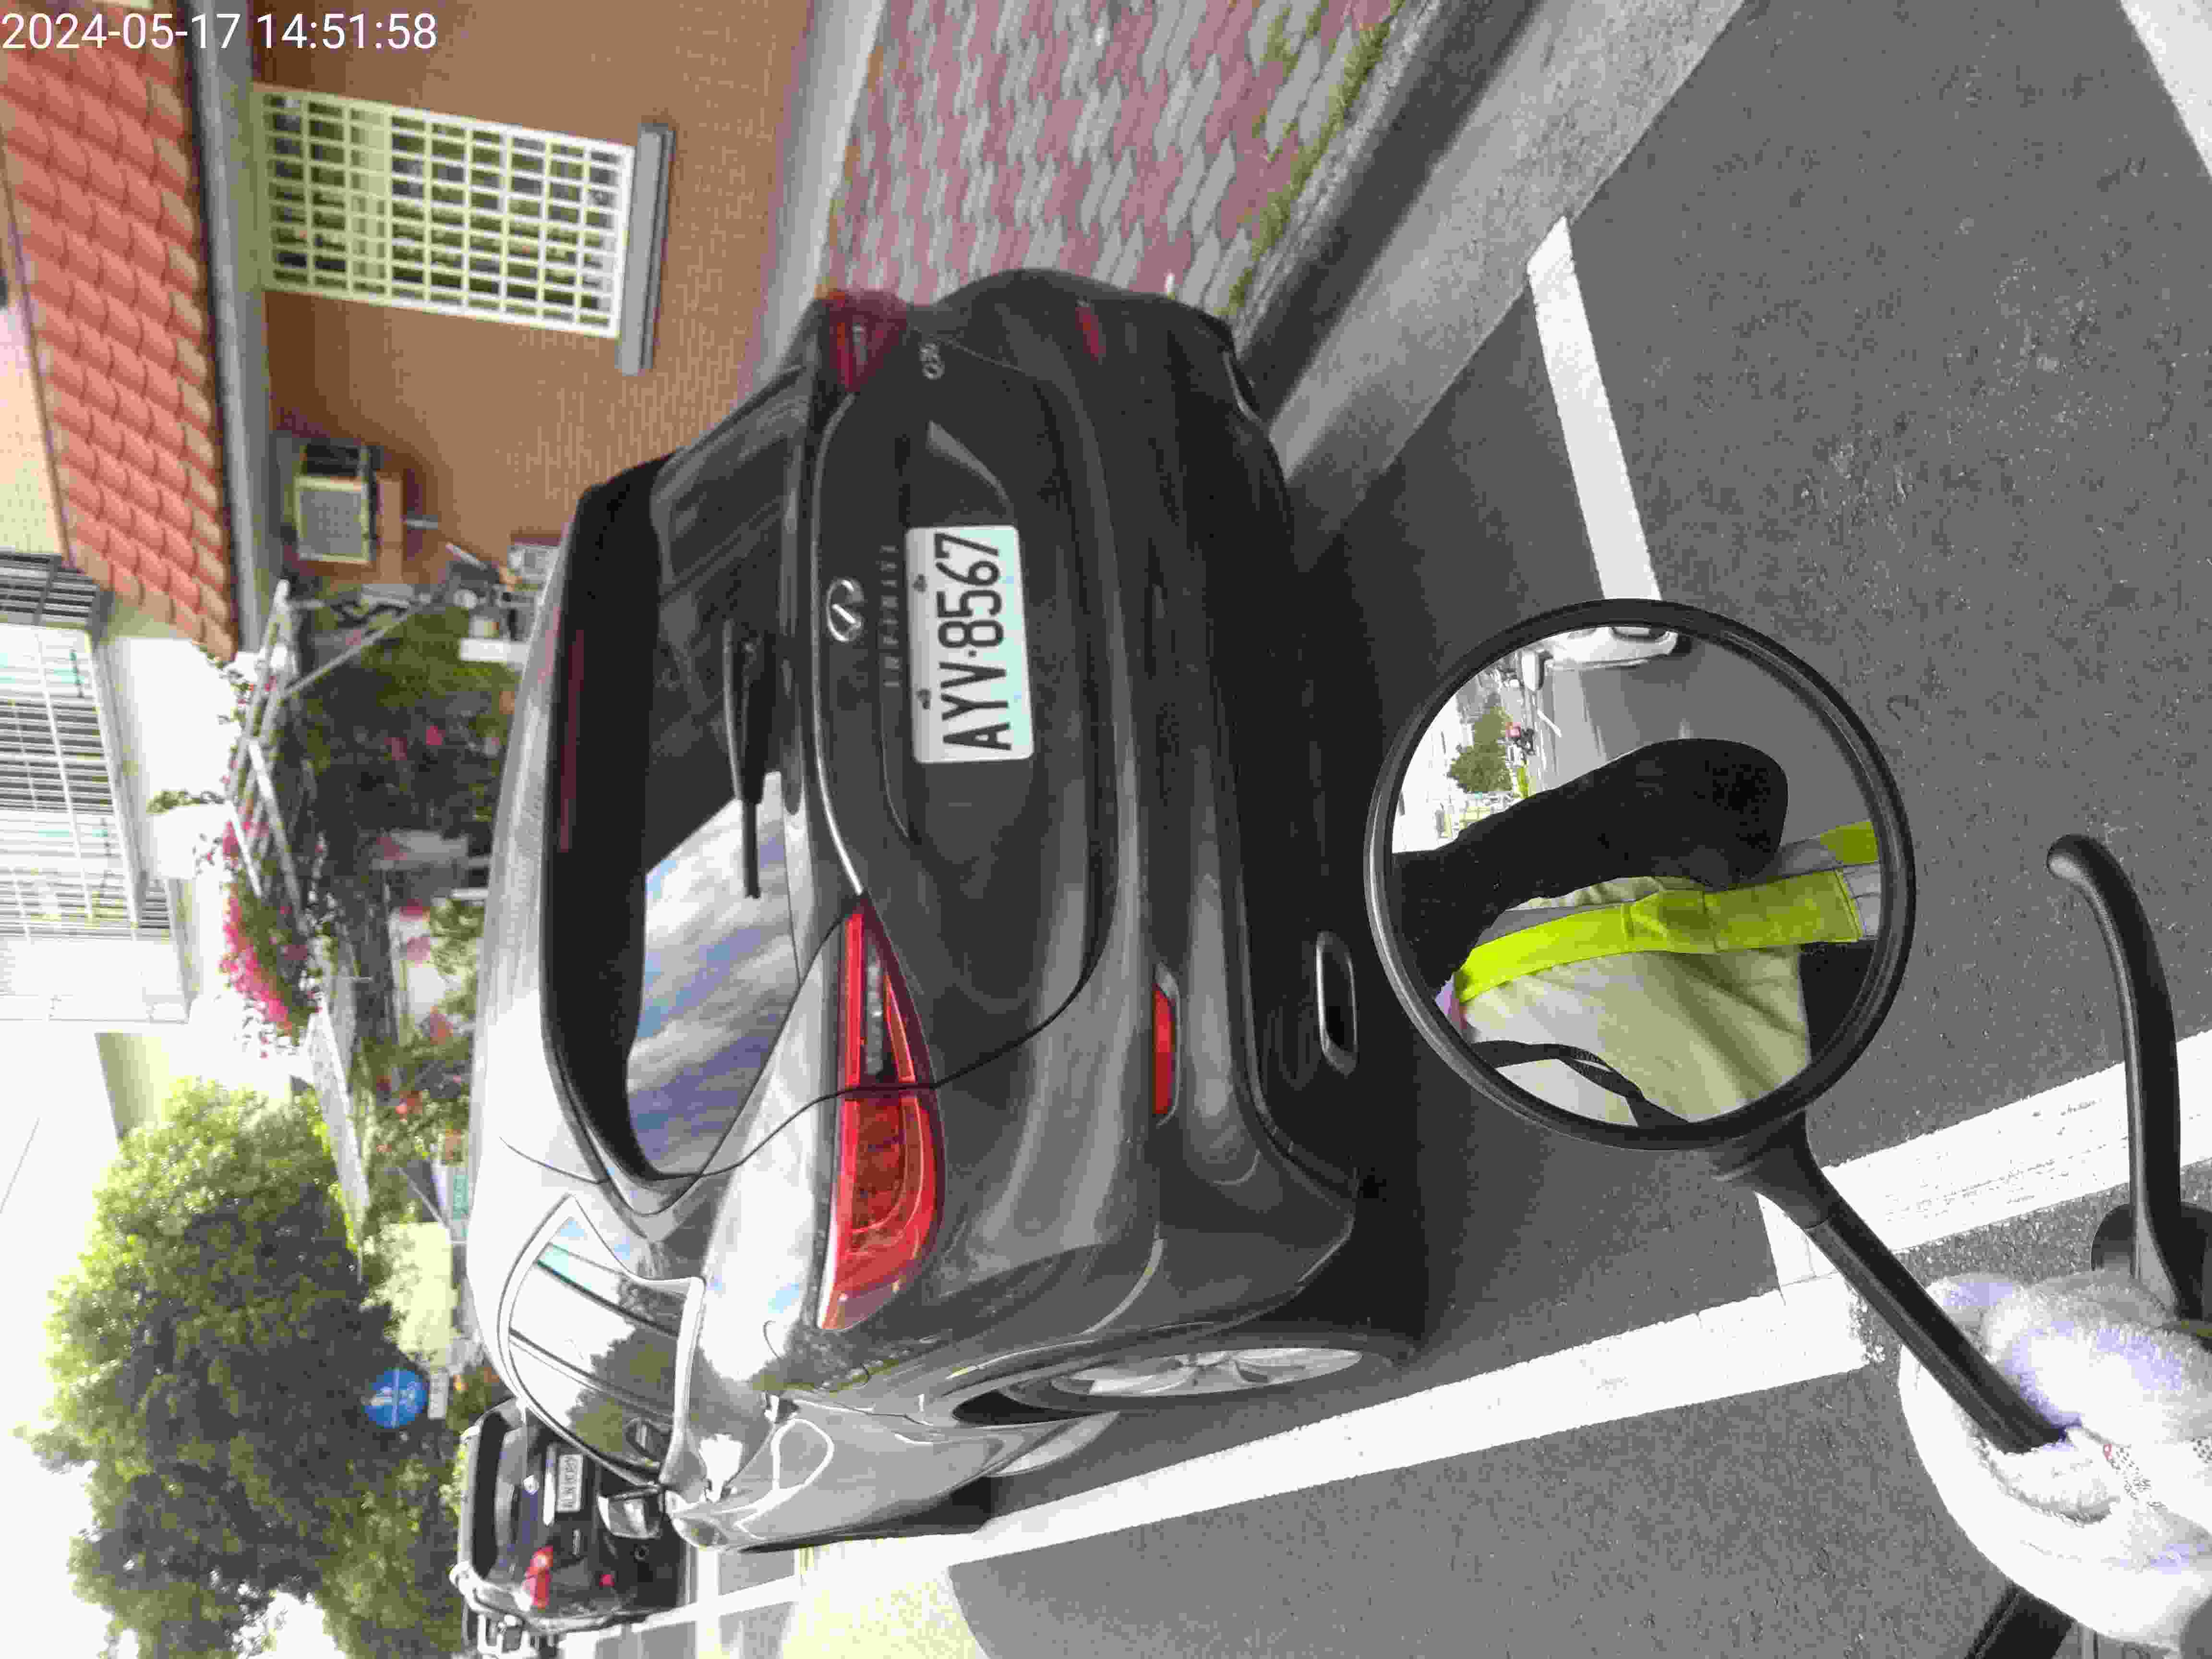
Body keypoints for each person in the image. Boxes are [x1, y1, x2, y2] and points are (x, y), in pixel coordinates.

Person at [1392, 738, 1880, 1123]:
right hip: (1825, 1028)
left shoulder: (1484, 916)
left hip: (1857, 901)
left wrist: (1480, 869)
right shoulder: (1496, 1067)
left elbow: (1736, 790)